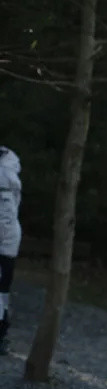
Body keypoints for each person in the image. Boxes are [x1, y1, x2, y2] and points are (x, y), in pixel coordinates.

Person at [0, 146, 21, 356]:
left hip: (6, 242)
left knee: (2, 290)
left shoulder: (5, 177)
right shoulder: (11, 171)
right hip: (9, 241)